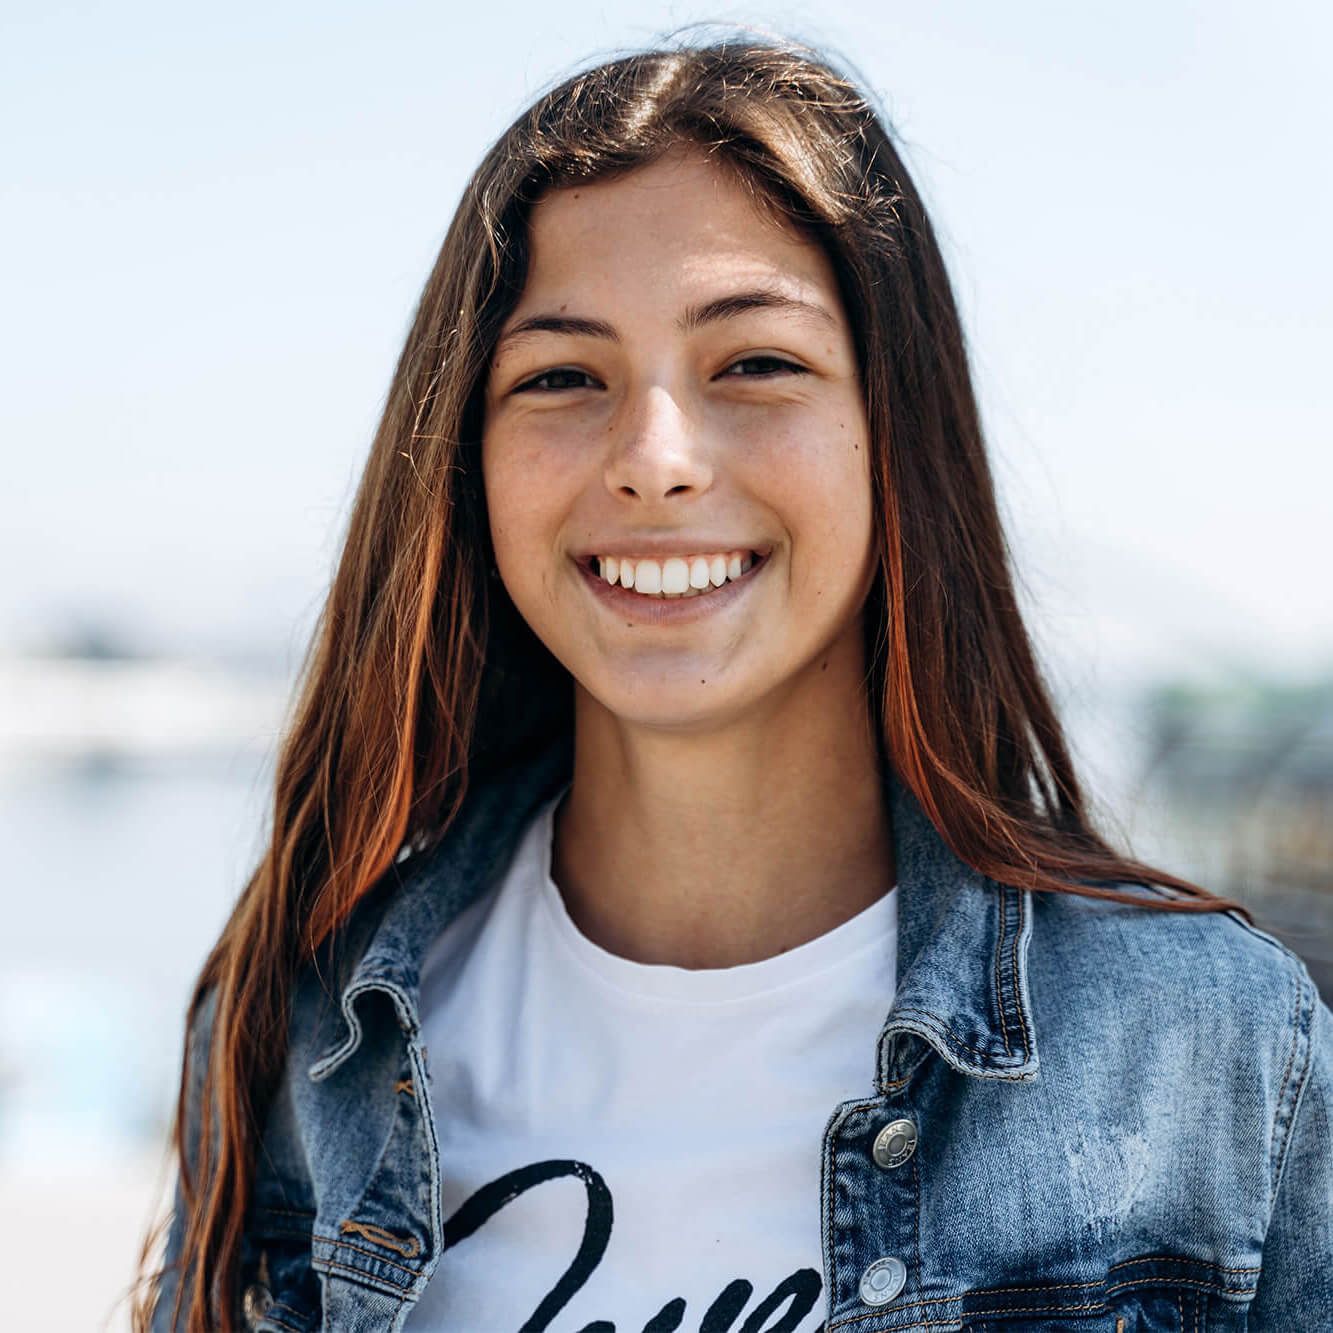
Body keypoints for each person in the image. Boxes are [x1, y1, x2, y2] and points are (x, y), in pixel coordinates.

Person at [132, 36, 1333, 1333]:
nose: (654, 459)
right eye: (561, 377)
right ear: (466, 460)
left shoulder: (1206, 1051)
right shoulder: (302, 1031)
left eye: (753, 362)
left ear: (892, 429)